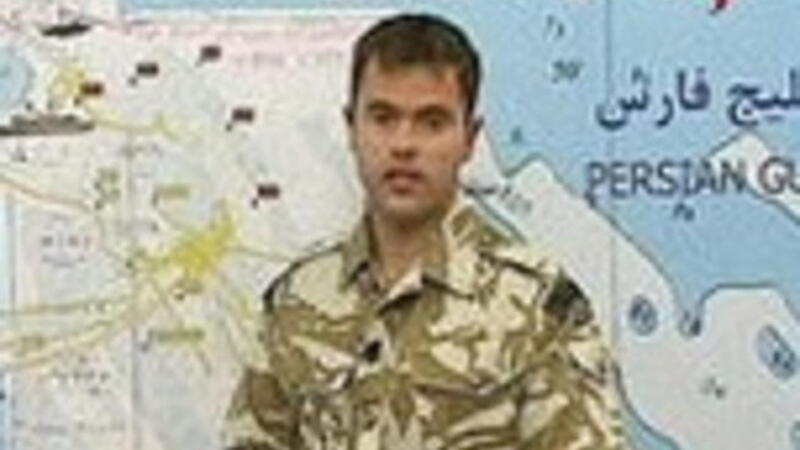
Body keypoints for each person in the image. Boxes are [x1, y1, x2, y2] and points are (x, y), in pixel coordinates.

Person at [223, 13, 630, 450]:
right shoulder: (296, 301)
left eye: (431, 122)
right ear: (351, 129)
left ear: (469, 138)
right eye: (383, 118)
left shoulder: (538, 307)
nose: (403, 144)